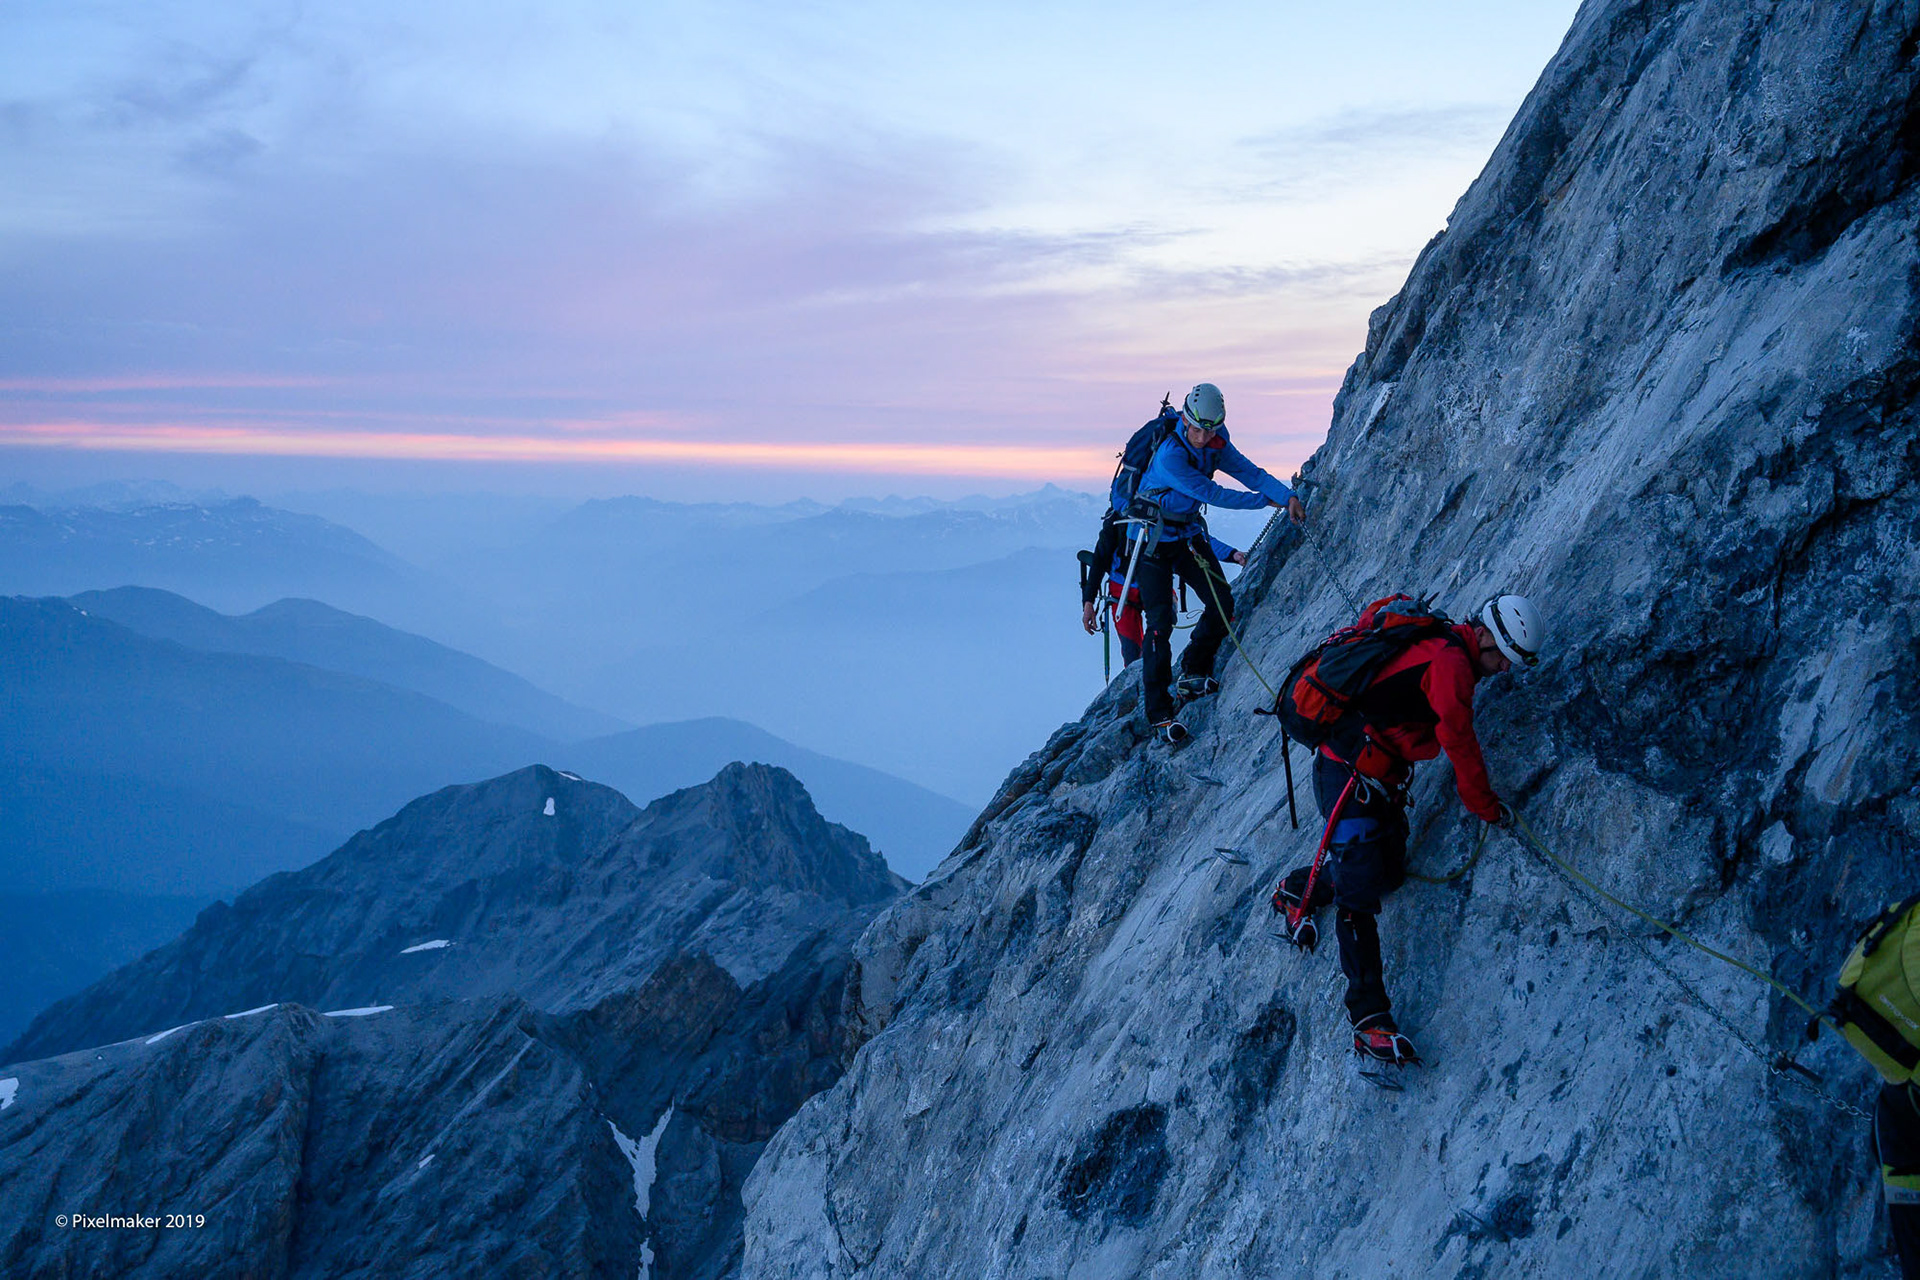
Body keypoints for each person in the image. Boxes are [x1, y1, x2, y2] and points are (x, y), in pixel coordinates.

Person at [1277, 593, 1544, 1064]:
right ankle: (1369, 1019)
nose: (1504, 669)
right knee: (1360, 897)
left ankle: (1299, 888)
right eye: (1502, 657)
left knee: (1388, 876)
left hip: (1368, 777)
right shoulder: (1450, 664)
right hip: (1347, 775)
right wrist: (1487, 808)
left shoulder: (1442, 641)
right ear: (1482, 635)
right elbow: (1459, 741)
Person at [1124, 382, 1303, 742]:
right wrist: (1264, 503)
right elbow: (1211, 493)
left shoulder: (1216, 441)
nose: (1204, 438)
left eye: (1210, 430)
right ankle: (1158, 712)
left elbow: (1250, 472)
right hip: (1150, 541)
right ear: (1186, 421)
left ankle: (1193, 670)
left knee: (1222, 603)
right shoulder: (1171, 455)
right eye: (1198, 429)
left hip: (1187, 535)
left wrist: (1288, 496)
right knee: (1160, 621)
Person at [1080, 512, 1243, 669]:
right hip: (1128, 592)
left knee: (1156, 639)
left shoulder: (1166, 514)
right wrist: (1088, 602)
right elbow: (1100, 560)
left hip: (1141, 588)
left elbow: (1198, 541)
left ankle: (1155, 678)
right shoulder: (1119, 519)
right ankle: (1143, 686)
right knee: (1133, 654)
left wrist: (1232, 554)